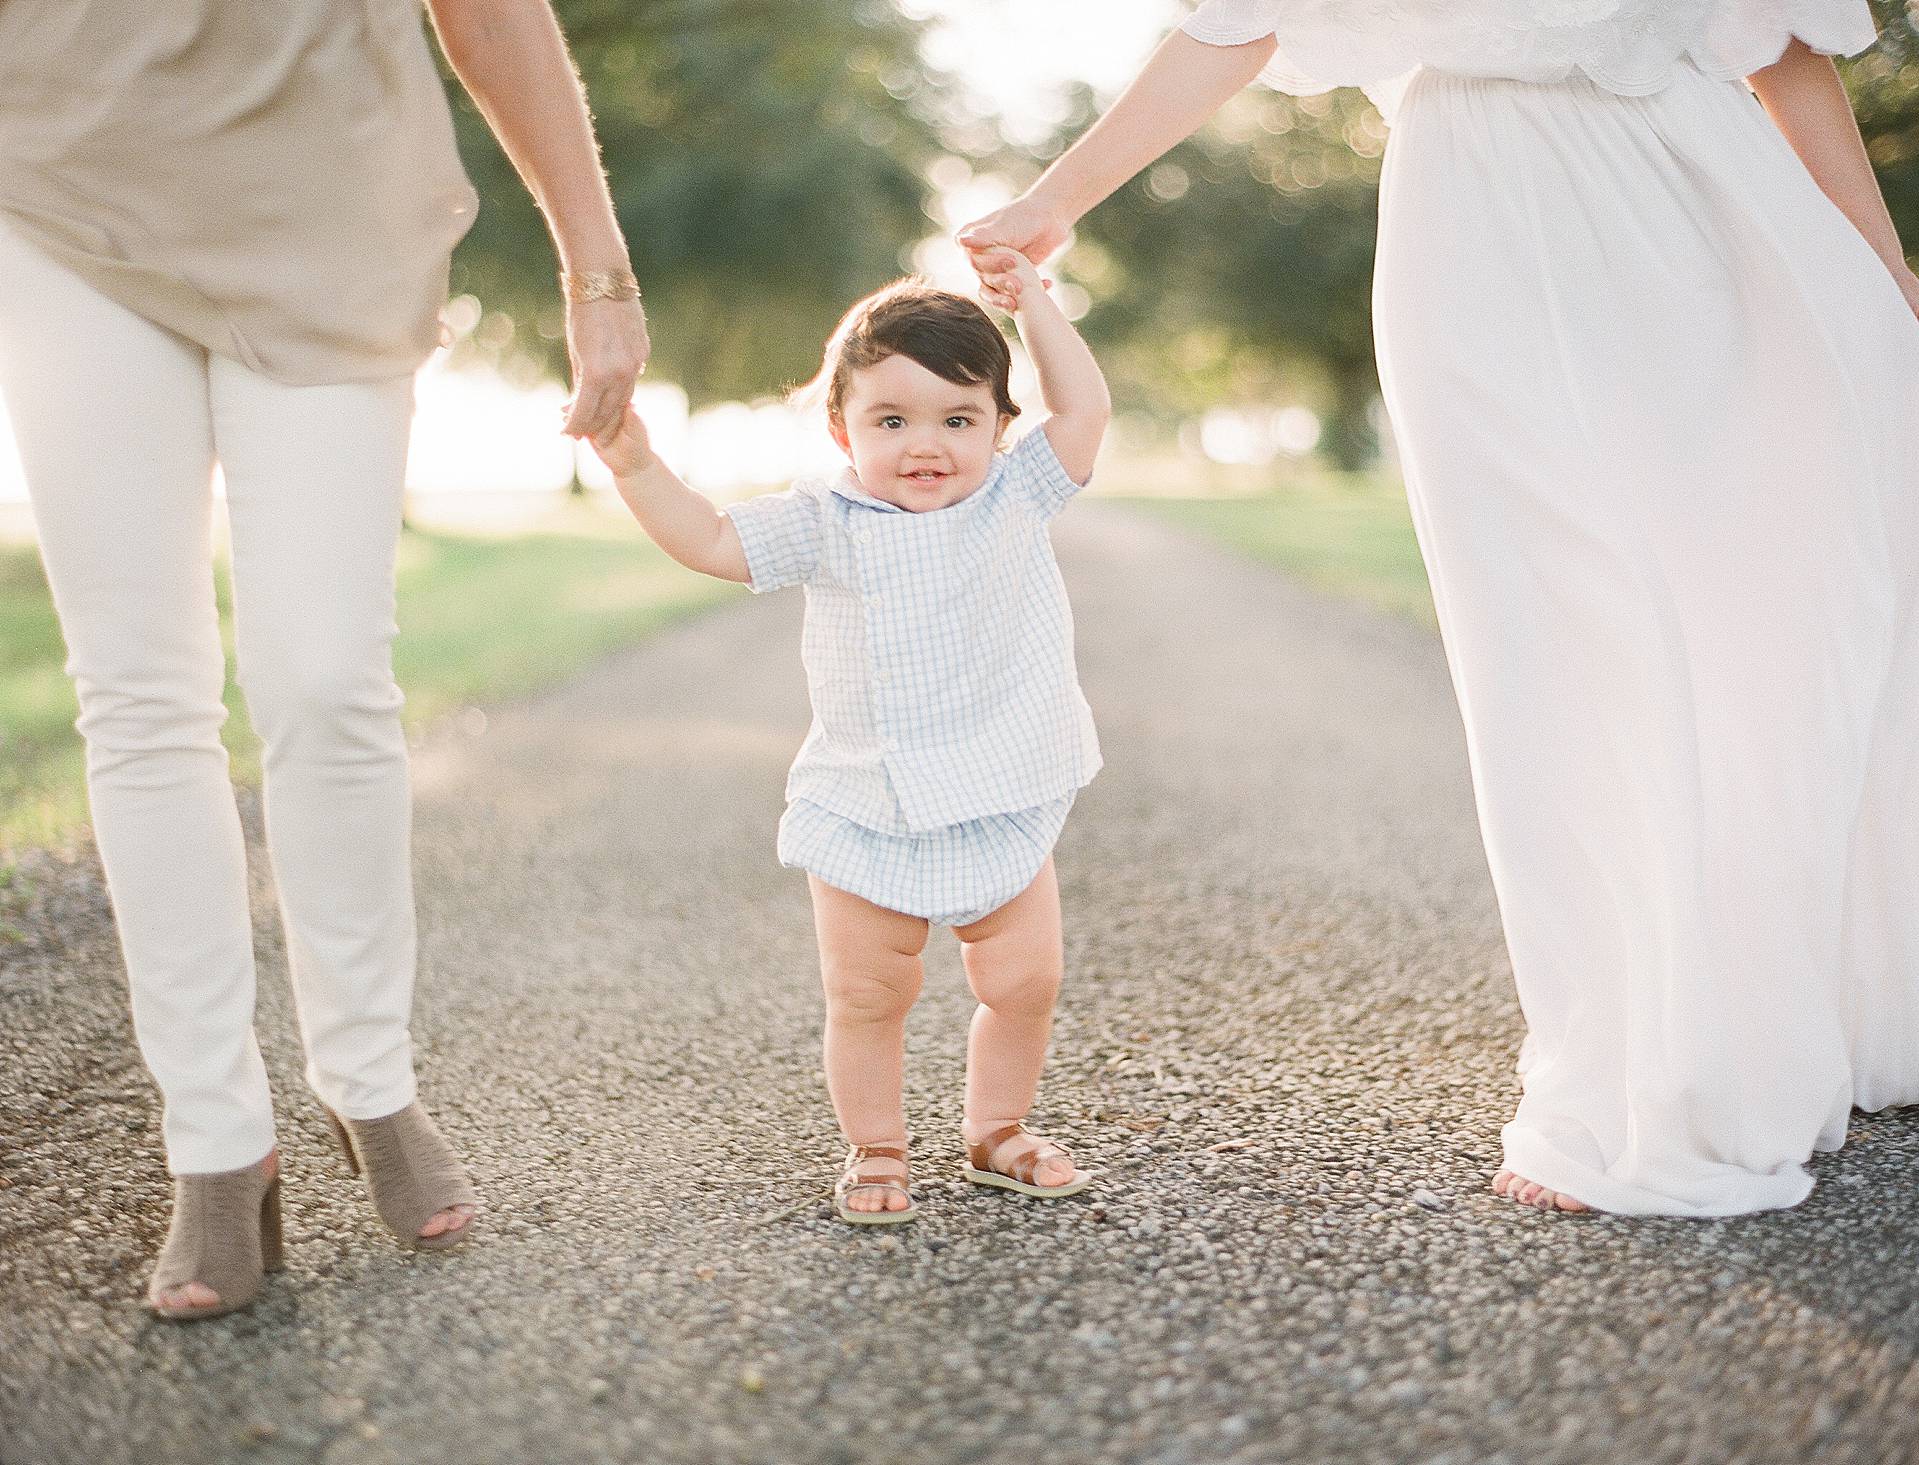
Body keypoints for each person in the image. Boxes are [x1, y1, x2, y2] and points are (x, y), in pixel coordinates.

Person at [961, 0, 1919, 1216]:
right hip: (1479, 220)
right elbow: (1241, 18)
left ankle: (1760, 1006)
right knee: (1548, 643)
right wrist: (1056, 200)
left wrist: (1878, 267)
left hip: (1701, 199)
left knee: (1747, 620)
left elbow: (1788, 48)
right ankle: (1615, 1070)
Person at [0, 0, 648, 1318]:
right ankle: (216, 1141)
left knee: (327, 676)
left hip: (335, 199)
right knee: (138, 694)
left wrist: (599, 270)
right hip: (62, 193)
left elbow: (492, 12)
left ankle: (368, 1077)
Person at [586, 255, 1107, 1222]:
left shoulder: (1018, 495)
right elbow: (709, 540)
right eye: (891, 420)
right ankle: (876, 1145)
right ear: (843, 430)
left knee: (1026, 980)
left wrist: (1032, 299)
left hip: (1002, 785)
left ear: (1000, 426)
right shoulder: (827, 520)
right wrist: (633, 463)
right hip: (870, 806)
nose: (928, 444)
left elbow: (1082, 412)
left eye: (959, 419)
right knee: (870, 993)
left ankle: (997, 1127)